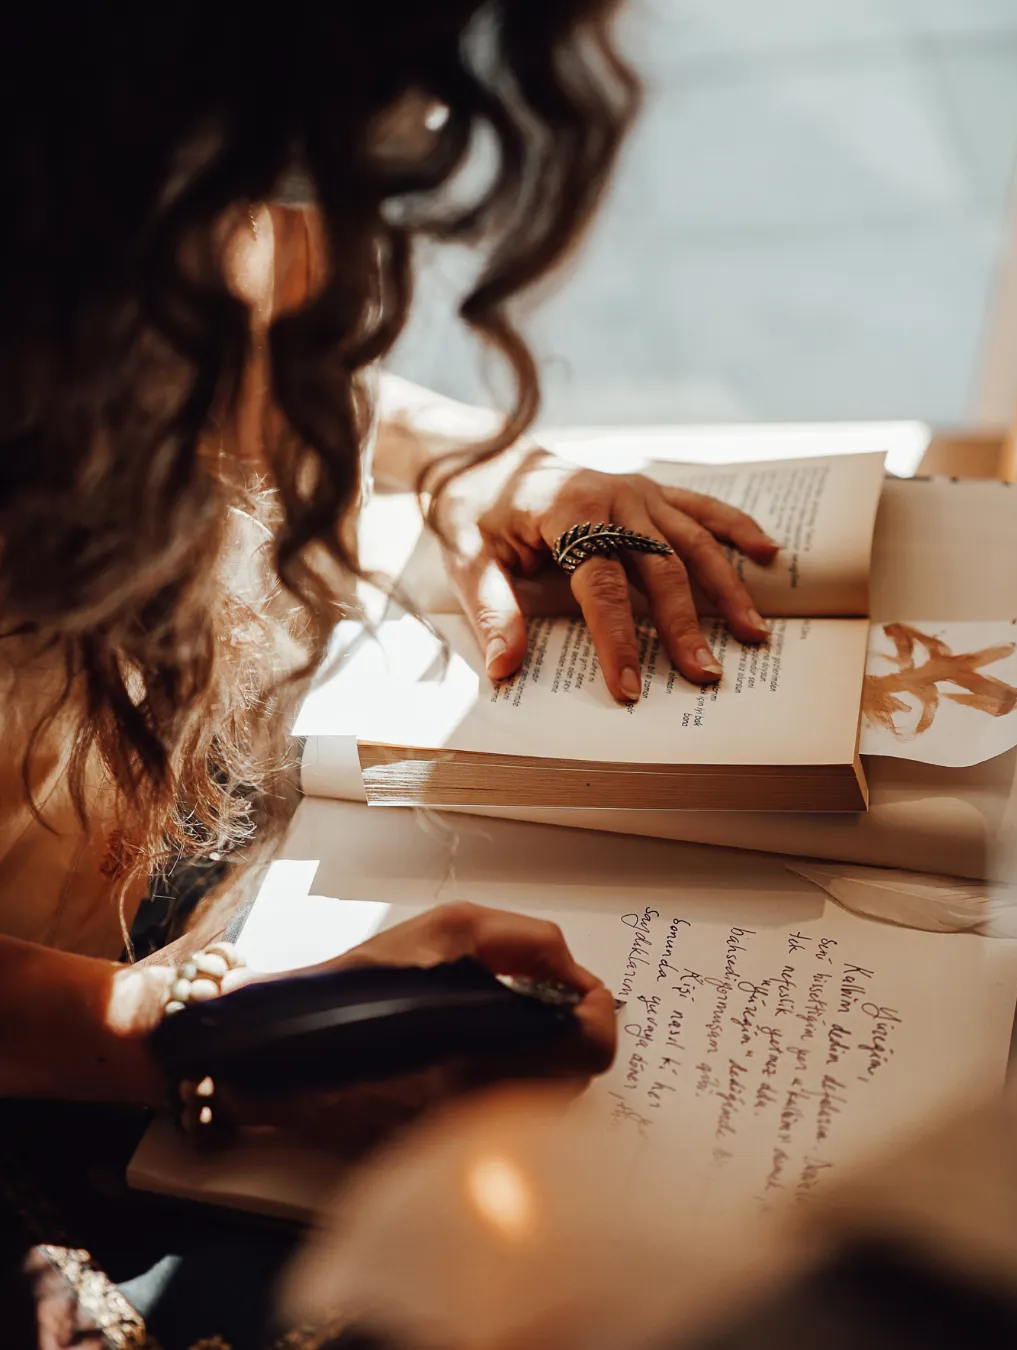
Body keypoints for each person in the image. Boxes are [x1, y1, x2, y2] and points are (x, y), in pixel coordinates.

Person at [0, 1, 777, 1142]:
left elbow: (227, 391)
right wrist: (222, 1036)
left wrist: (484, 470)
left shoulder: (185, 185)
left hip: (179, 895)